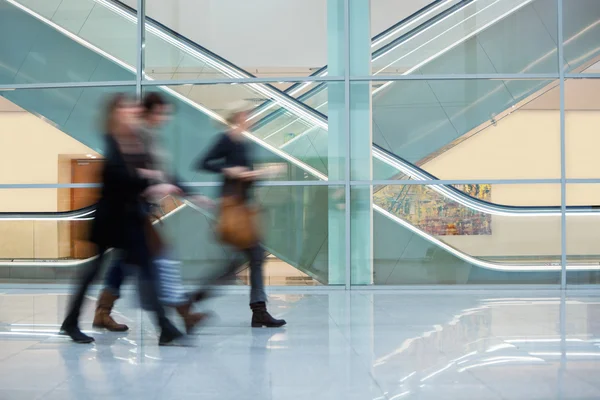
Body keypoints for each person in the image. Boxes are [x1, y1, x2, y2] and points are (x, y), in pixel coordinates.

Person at [60, 94, 184, 344]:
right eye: (126, 107)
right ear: (116, 112)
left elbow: (138, 174)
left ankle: (165, 327)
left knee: (145, 269)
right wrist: (148, 179)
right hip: (112, 218)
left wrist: (152, 181)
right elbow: (117, 176)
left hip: (130, 217)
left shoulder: (133, 138)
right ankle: (71, 322)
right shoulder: (113, 138)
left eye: (131, 107)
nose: (132, 110)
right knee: (93, 272)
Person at [93, 92, 206, 334]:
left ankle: (104, 312)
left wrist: (191, 193)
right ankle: (180, 314)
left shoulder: (150, 136)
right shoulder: (138, 135)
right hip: (134, 208)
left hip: (141, 208)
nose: (165, 118)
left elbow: (166, 172)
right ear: (149, 112)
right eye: (161, 113)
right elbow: (140, 173)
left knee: (127, 262)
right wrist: (155, 183)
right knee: (160, 258)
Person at [197, 108, 286, 328]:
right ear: (236, 118)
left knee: (247, 259)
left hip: (244, 208)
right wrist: (230, 170)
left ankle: (256, 310)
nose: (250, 119)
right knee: (251, 257)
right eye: (246, 115)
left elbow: (247, 178)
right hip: (233, 208)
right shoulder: (226, 139)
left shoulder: (245, 143)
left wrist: (259, 174)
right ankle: (256, 310)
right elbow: (204, 163)